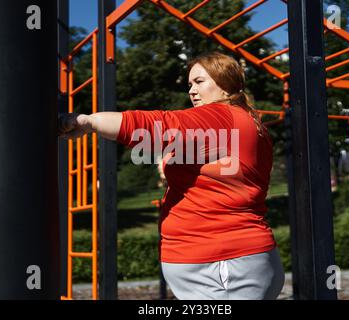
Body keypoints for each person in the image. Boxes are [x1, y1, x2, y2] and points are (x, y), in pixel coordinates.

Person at [58, 52, 285, 300]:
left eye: (200, 82)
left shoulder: (221, 115)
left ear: (226, 83)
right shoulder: (243, 121)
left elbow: (158, 125)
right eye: (190, 84)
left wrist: (89, 121)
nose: (192, 91)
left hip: (223, 262)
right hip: (226, 263)